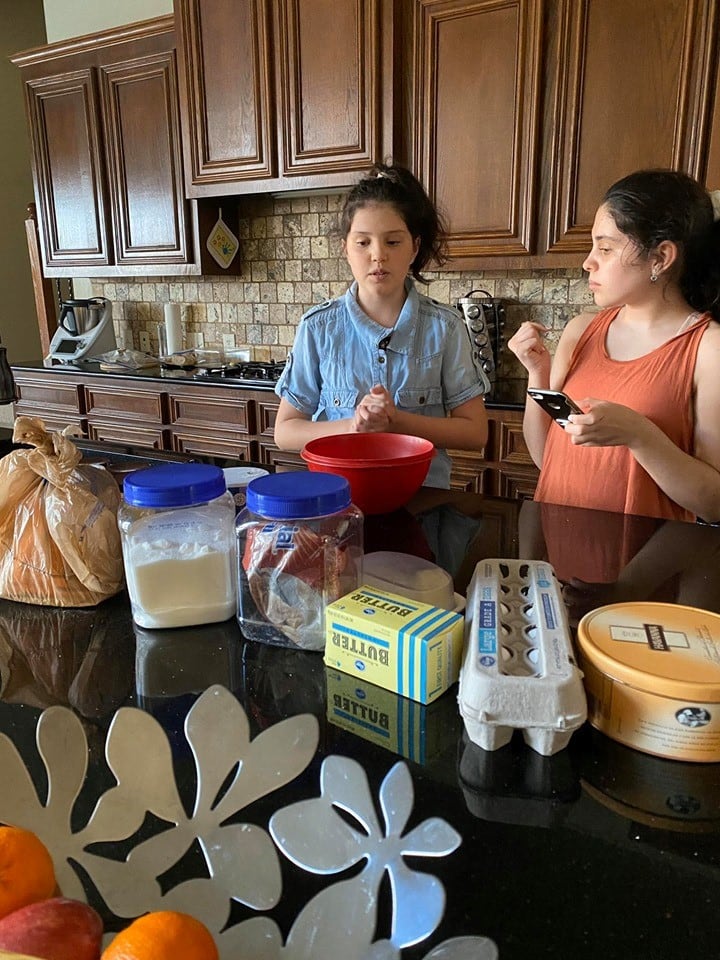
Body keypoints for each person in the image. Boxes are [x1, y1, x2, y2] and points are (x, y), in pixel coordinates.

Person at [508, 169, 720, 522]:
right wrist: (537, 376)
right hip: (559, 561)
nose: (587, 261)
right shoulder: (580, 331)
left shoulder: (708, 350)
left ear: (661, 257)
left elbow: (713, 504)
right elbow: (547, 459)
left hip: (645, 569)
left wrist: (640, 435)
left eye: (605, 248)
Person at [273, 162, 489, 489]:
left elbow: (475, 433)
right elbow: (285, 432)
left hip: (423, 502)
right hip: (337, 499)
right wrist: (353, 424)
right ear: (345, 247)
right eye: (363, 242)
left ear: (414, 248)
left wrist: (397, 421)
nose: (378, 256)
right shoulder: (317, 328)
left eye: (392, 242)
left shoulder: (445, 328)